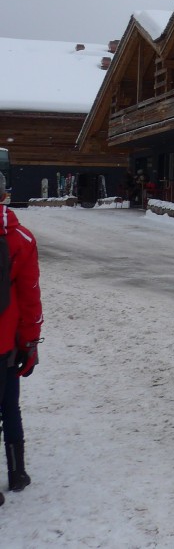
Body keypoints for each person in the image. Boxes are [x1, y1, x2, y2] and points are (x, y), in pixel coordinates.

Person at [0, 171, 42, 505]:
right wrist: (30, 343)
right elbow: (29, 296)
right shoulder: (21, 239)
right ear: (4, 196)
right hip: (5, 342)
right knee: (9, 404)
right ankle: (16, 473)